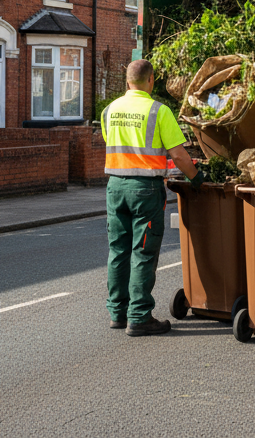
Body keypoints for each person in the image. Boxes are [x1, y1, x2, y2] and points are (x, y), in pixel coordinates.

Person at [100, 59, 199, 336]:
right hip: (145, 190)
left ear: (126, 80)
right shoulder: (158, 111)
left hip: (115, 187)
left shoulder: (110, 111)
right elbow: (178, 155)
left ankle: (117, 313)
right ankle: (140, 316)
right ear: (151, 80)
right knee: (143, 253)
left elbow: (113, 143)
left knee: (118, 250)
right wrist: (196, 178)